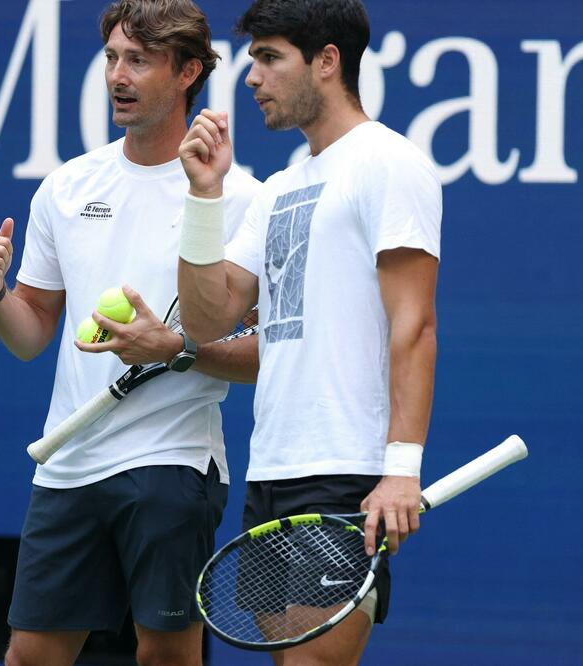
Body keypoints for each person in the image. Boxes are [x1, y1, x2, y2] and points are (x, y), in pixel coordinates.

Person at [0, 1, 260, 664]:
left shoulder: (242, 197)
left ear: (188, 71)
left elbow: (269, 351)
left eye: (139, 60)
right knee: (30, 657)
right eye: (111, 58)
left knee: (165, 655)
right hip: (70, 462)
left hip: (171, 459)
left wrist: (179, 350)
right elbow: (31, 333)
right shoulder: (68, 187)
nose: (117, 76)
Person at [175, 0, 441, 663]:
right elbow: (209, 315)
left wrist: (400, 471)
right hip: (272, 468)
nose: (251, 77)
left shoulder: (389, 162)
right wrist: (205, 197)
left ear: (327, 62)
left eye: (269, 58)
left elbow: (415, 323)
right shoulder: (276, 189)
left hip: (347, 473)